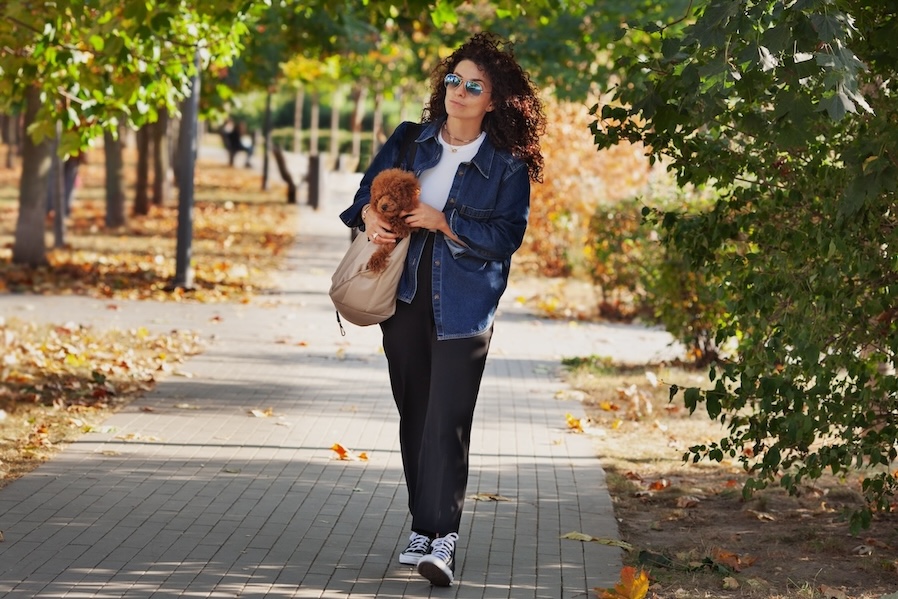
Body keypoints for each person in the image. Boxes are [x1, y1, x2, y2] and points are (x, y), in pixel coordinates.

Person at [339, 32, 546, 587]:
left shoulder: (506, 165)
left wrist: (444, 220)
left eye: (474, 85)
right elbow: (362, 195)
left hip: (464, 307)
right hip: (402, 298)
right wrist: (371, 218)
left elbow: (507, 236)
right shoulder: (409, 141)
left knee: (448, 419)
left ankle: (443, 538)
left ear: (494, 99)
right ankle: (421, 526)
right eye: (453, 80)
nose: (459, 91)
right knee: (415, 414)